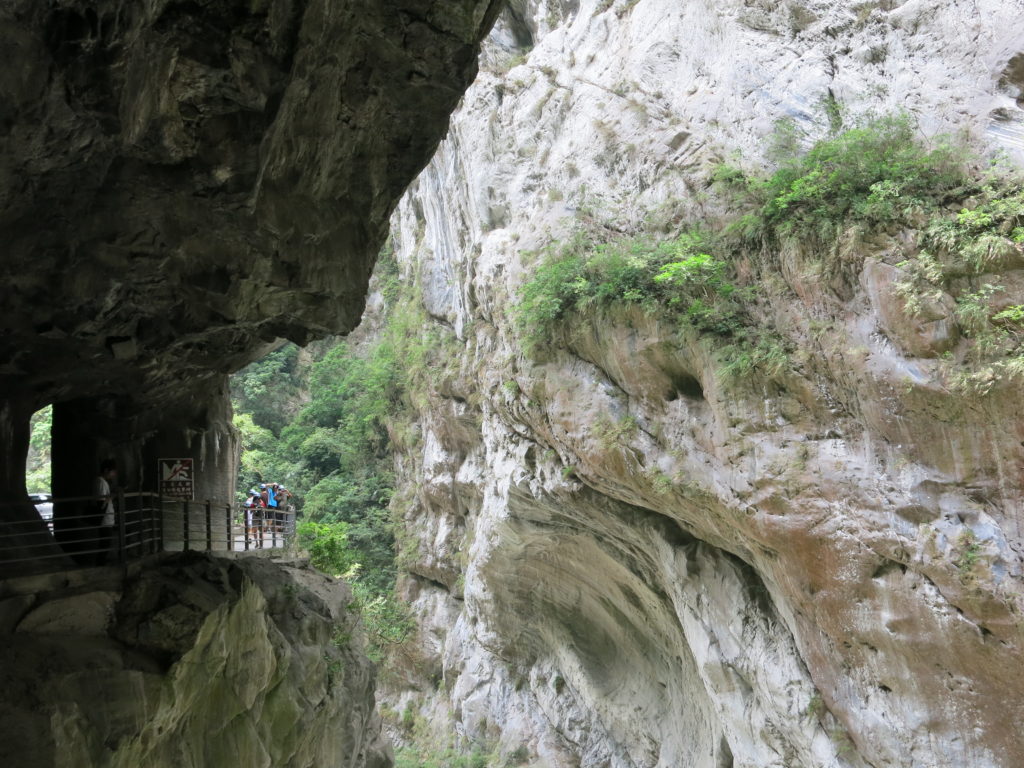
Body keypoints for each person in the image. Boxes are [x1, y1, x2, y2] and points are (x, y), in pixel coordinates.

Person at [93, 459, 117, 565]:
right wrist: (111, 496)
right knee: (105, 543)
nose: (114, 474)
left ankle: (101, 563)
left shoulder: (102, 482)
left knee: (105, 543)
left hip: (106, 519)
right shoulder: (100, 482)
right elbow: (101, 503)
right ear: (106, 470)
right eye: (113, 471)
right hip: (104, 519)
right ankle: (100, 565)